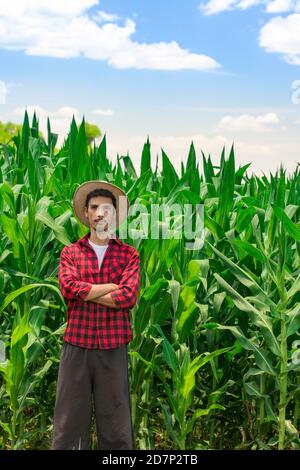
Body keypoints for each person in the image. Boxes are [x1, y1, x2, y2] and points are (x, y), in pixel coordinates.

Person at [51, 180, 140, 450]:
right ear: (86, 214)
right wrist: (110, 287)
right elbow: (68, 287)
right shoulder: (71, 252)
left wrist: (86, 292)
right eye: (94, 208)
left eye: (106, 208)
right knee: (69, 420)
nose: (100, 213)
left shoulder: (129, 255)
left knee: (115, 418)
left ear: (113, 214)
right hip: (77, 344)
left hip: (113, 347)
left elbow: (128, 297)